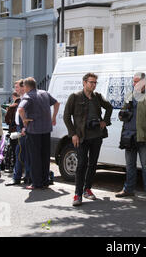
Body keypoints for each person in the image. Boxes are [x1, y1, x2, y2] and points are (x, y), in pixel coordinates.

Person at [63, 73, 113, 206]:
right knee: (81, 164)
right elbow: (66, 117)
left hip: (97, 136)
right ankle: (77, 194)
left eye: (95, 82)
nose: (93, 85)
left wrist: (105, 121)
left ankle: (87, 189)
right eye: (91, 82)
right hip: (81, 137)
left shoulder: (97, 97)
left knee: (93, 164)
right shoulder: (75, 97)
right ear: (84, 83)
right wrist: (73, 134)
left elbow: (109, 107)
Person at [115, 72, 146, 201]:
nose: (134, 83)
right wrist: (121, 114)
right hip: (129, 136)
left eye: (137, 81)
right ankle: (128, 189)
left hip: (143, 137)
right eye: (133, 81)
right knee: (129, 165)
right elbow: (123, 113)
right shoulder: (130, 95)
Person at [18, 77, 60, 190]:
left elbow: (20, 109)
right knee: (45, 156)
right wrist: (54, 117)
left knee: (35, 157)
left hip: (34, 130)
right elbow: (57, 103)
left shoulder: (28, 96)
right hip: (46, 129)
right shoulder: (45, 93)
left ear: (26, 87)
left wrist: (24, 120)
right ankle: (45, 181)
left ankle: (36, 183)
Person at [6, 80, 32, 186]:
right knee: (22, 154)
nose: (15, 89)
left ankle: (18, 177)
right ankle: (26, 177)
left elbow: (28, 114)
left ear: (23, 87)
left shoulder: (26, 99)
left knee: (20, 154)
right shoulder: (21, 99)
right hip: (19, 128)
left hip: (23, 130)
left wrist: (24, 127)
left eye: (17, 87)